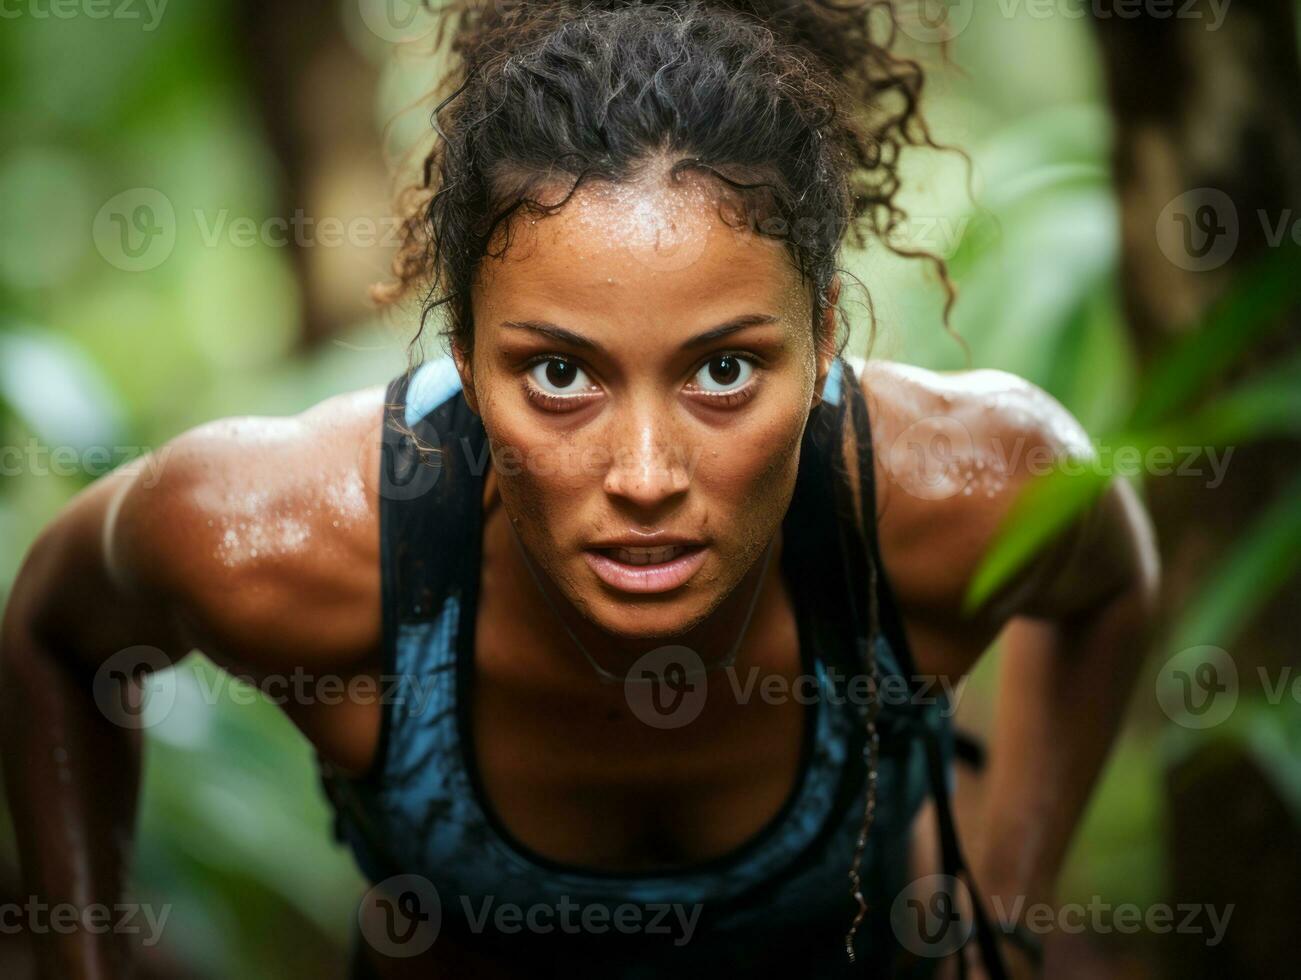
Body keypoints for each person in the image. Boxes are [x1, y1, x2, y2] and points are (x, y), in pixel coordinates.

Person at [0, 1, 1159, 977]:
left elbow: (1112, 582)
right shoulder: (280, 537)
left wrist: (1001, 897)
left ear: (822, 338)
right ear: (459, 348)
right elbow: (54, 631)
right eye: (559, 374)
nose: (645, 477)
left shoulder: (966, 484)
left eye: (722, 370)